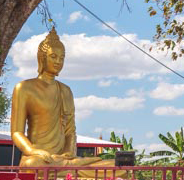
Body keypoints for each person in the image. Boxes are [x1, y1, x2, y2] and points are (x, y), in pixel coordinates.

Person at [10, 28, 115, 172]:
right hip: (38, 158)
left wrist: (69, 153)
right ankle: (70, 167)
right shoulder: (24, 88)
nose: (58, 61)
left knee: (117, 167)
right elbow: (16, 132)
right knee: (35, 164)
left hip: (61, 160)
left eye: (62, 58)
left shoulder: (65, 91)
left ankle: (69, 167)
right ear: (42, 58)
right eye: (53, 56)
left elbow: (70, 131)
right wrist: (32, 150)